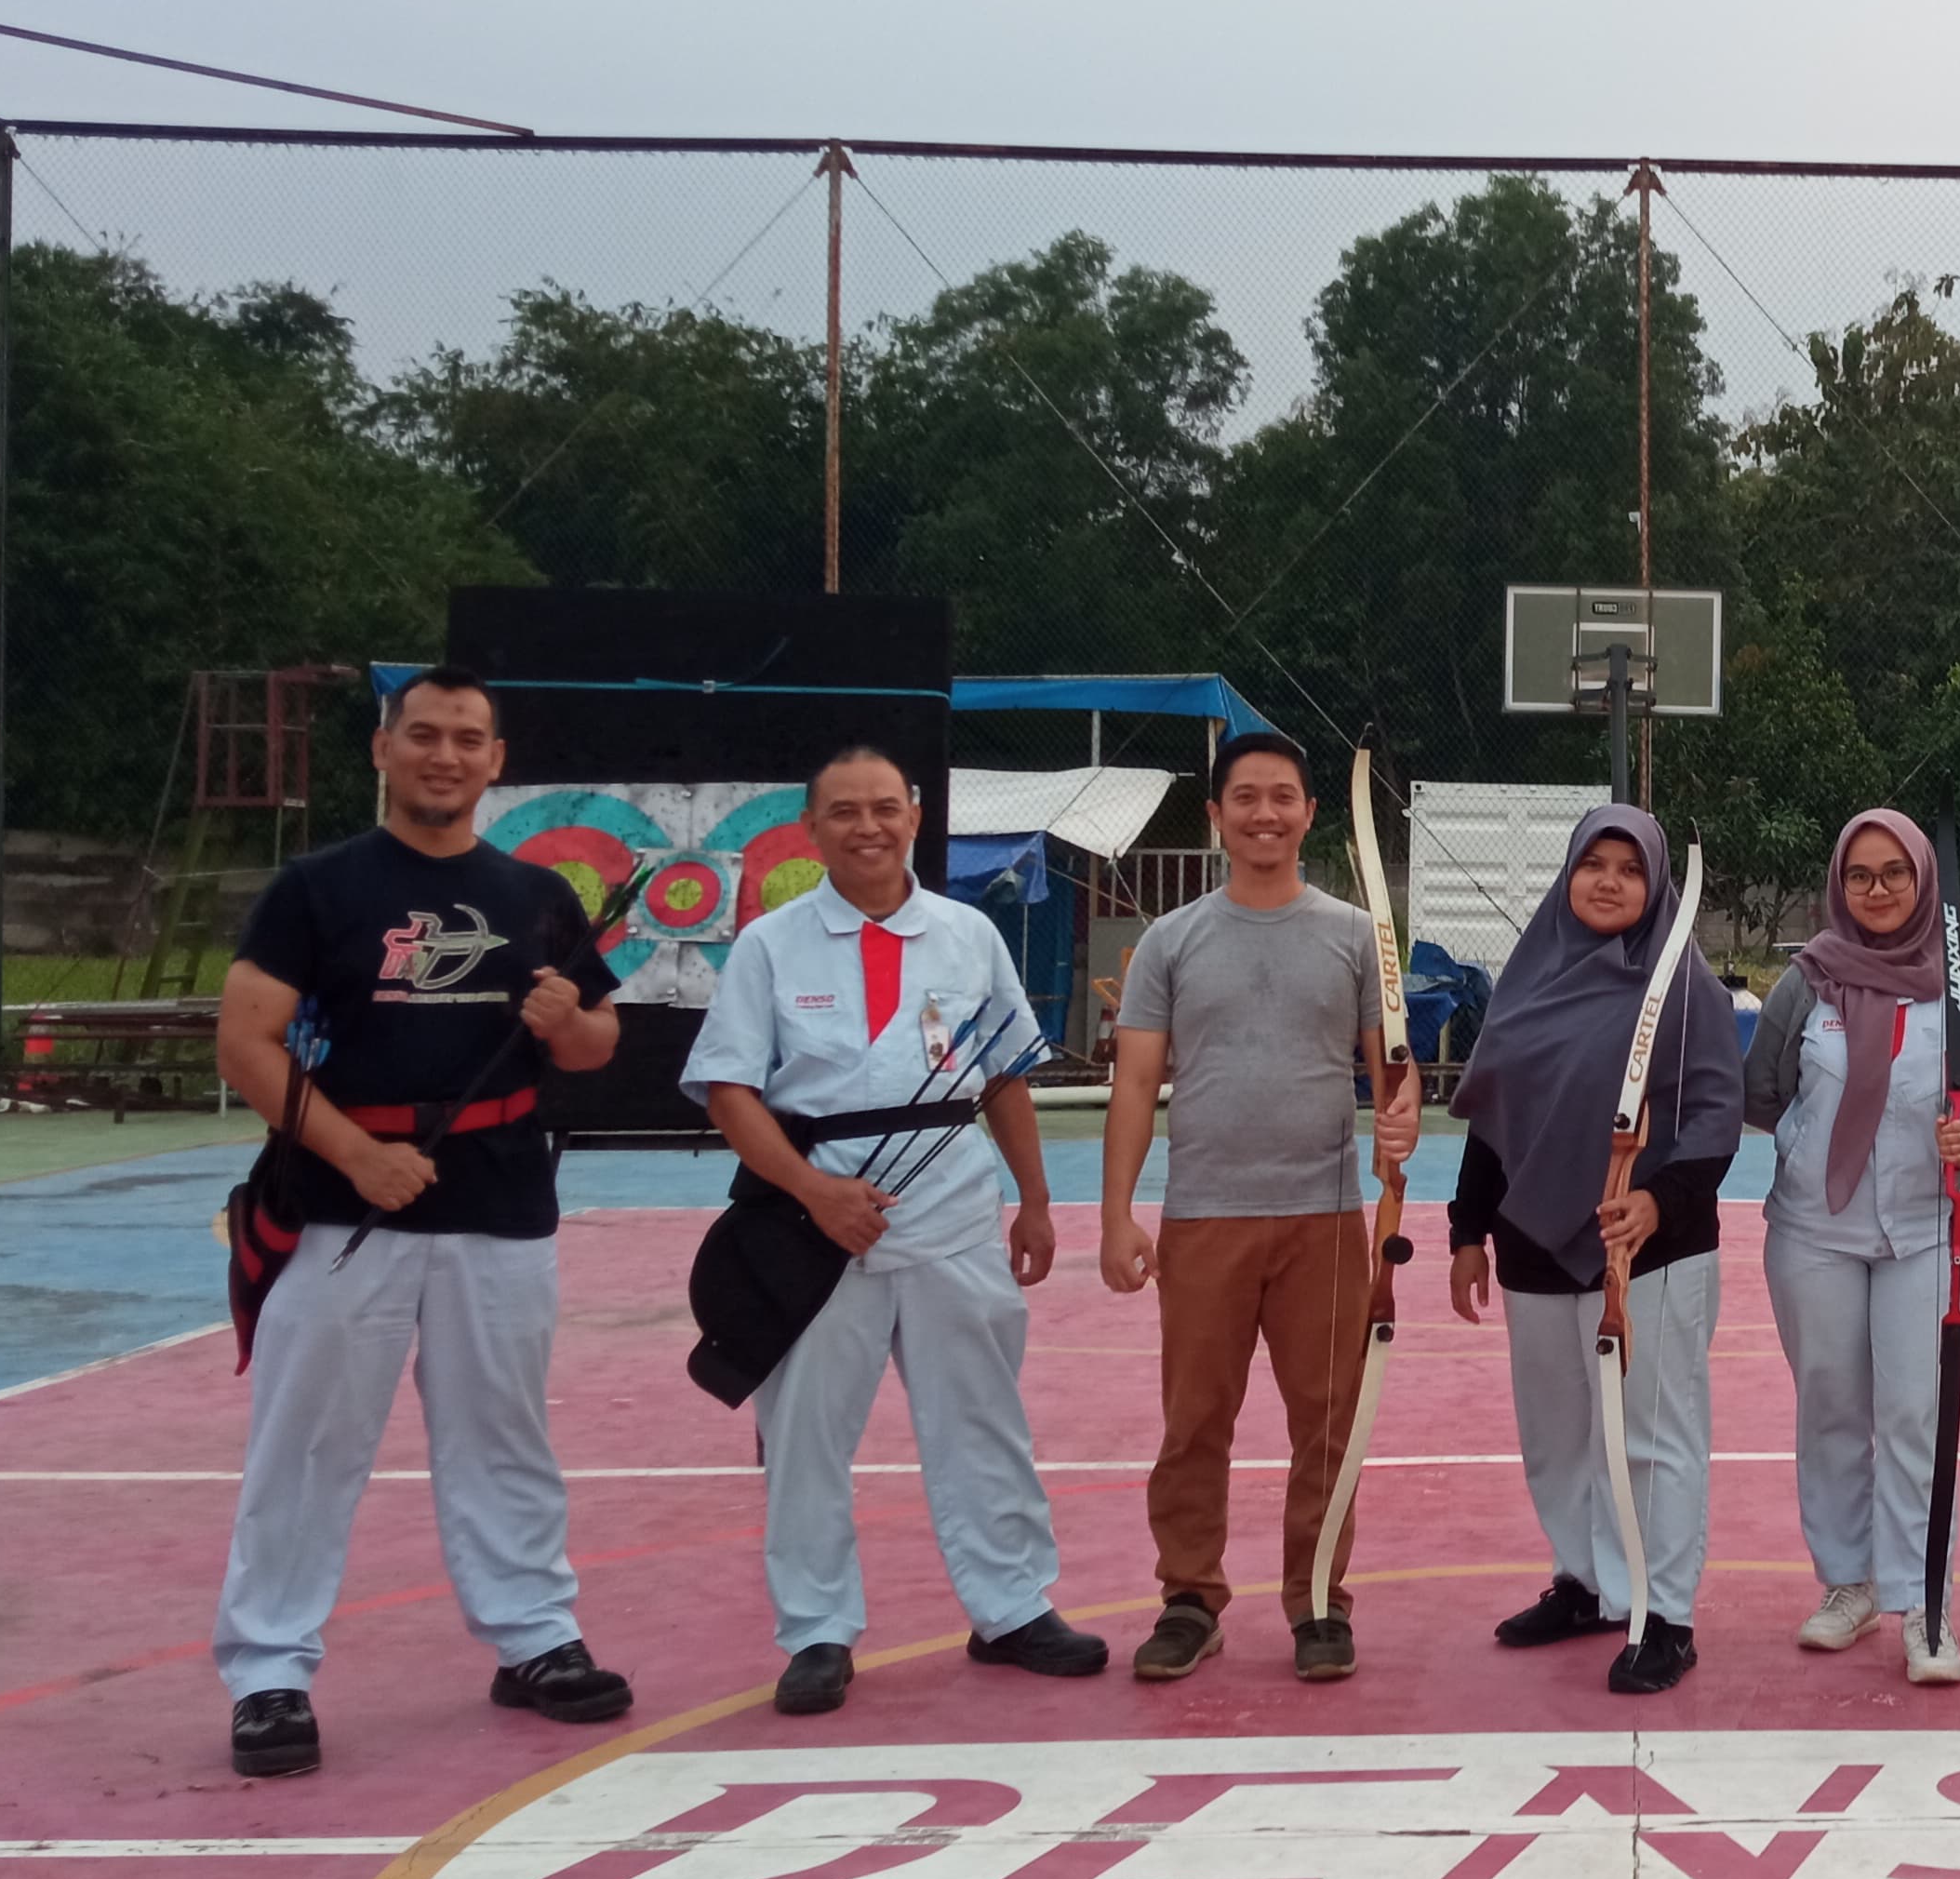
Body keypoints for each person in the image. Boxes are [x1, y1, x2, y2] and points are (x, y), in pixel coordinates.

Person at [209, 667, 631, 1779]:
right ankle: (268, 1671)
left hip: (500, 1199)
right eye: (425, 735)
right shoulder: (315, 889)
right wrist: (356, 1155)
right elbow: (246, 1040)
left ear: (498, 761)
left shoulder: (536, 895)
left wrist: (566, 1020)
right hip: (341, 1204)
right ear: (382, 748)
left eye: (468, 739)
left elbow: (597, 1041)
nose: (446, 756)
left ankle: (533, 1637)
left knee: (503, 1432)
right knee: (309, 1441)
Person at [688, 742, 1102, 1712]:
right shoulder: (770, 945)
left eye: (885, 808)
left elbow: (1003, 1076)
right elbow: (730, 1091)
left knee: (982, 1420)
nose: (867, 827)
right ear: (811, 828)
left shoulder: (967, 935)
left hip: (952, 1208)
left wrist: (1035, 1200)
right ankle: (817, 1629)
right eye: (844, 811)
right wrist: (813, 1192)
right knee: (803, 1434)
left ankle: (1012, 1607)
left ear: (915, 817)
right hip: (813, 1222)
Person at [1100, 732, 1420, 1683]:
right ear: (1215, 815)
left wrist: (1401, 1114)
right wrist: (1117, 1214)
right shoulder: (1171, 941)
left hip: (1323, 1218)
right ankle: (1189, 1599)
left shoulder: (1356, 936)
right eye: (1244, 797)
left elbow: (1392, 1067)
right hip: (1204, 1216)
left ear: (1310, 813)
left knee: (1326, 1421)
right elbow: (1135, 1084)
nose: (1264, 814)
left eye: (1283, 796)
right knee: (1195, 1420)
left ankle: (1318, 1598)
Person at [1450, 805, 1742, 1697]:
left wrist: (1659, 1200)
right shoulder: (1528, 976)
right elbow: (1493, 1114)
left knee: (1652, 1435)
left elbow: (1715, 1113)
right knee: (1557, 1432)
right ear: (1568, 874)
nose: (1609, 882)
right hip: (1533, 1238)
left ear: (1656, 886)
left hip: (1649, 1244)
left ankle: (1665, 1614)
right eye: (1593, 864)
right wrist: (1467, 1231)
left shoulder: (1684, 988)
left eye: (1631, 869)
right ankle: (1584, 1583)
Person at [1742, 810, 1960, 1684]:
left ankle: (1925, 1603)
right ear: (1839, 885)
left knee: (1913, 1414)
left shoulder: (1955, 989)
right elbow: (1763, 1088)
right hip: (1813, 1232)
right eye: (1860, 875)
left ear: (1922, 880)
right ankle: (1847, 1582)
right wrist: (1810, 1143)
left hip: (1922, 1231)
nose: (1878, 889)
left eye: (1895, 873)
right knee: (1830, 1406)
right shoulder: (1804, 982)